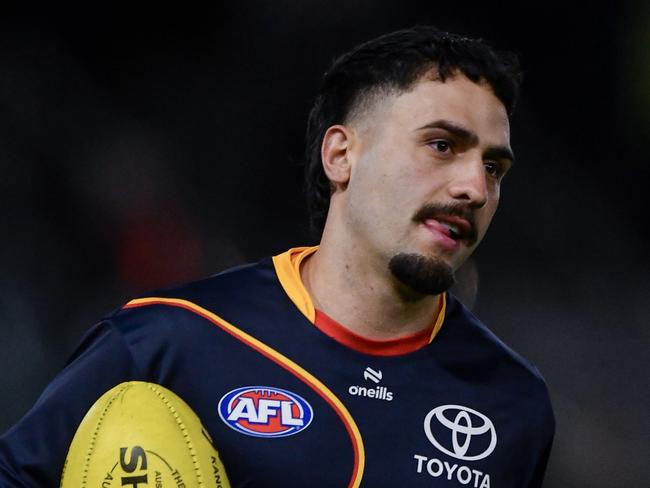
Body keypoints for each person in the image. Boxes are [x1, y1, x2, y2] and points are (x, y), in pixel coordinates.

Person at [0, 26, 554, 487]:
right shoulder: (166, 341)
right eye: (442, 145)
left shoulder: (513, 404)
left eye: (493, 168)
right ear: (341, 155)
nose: (474, 189)